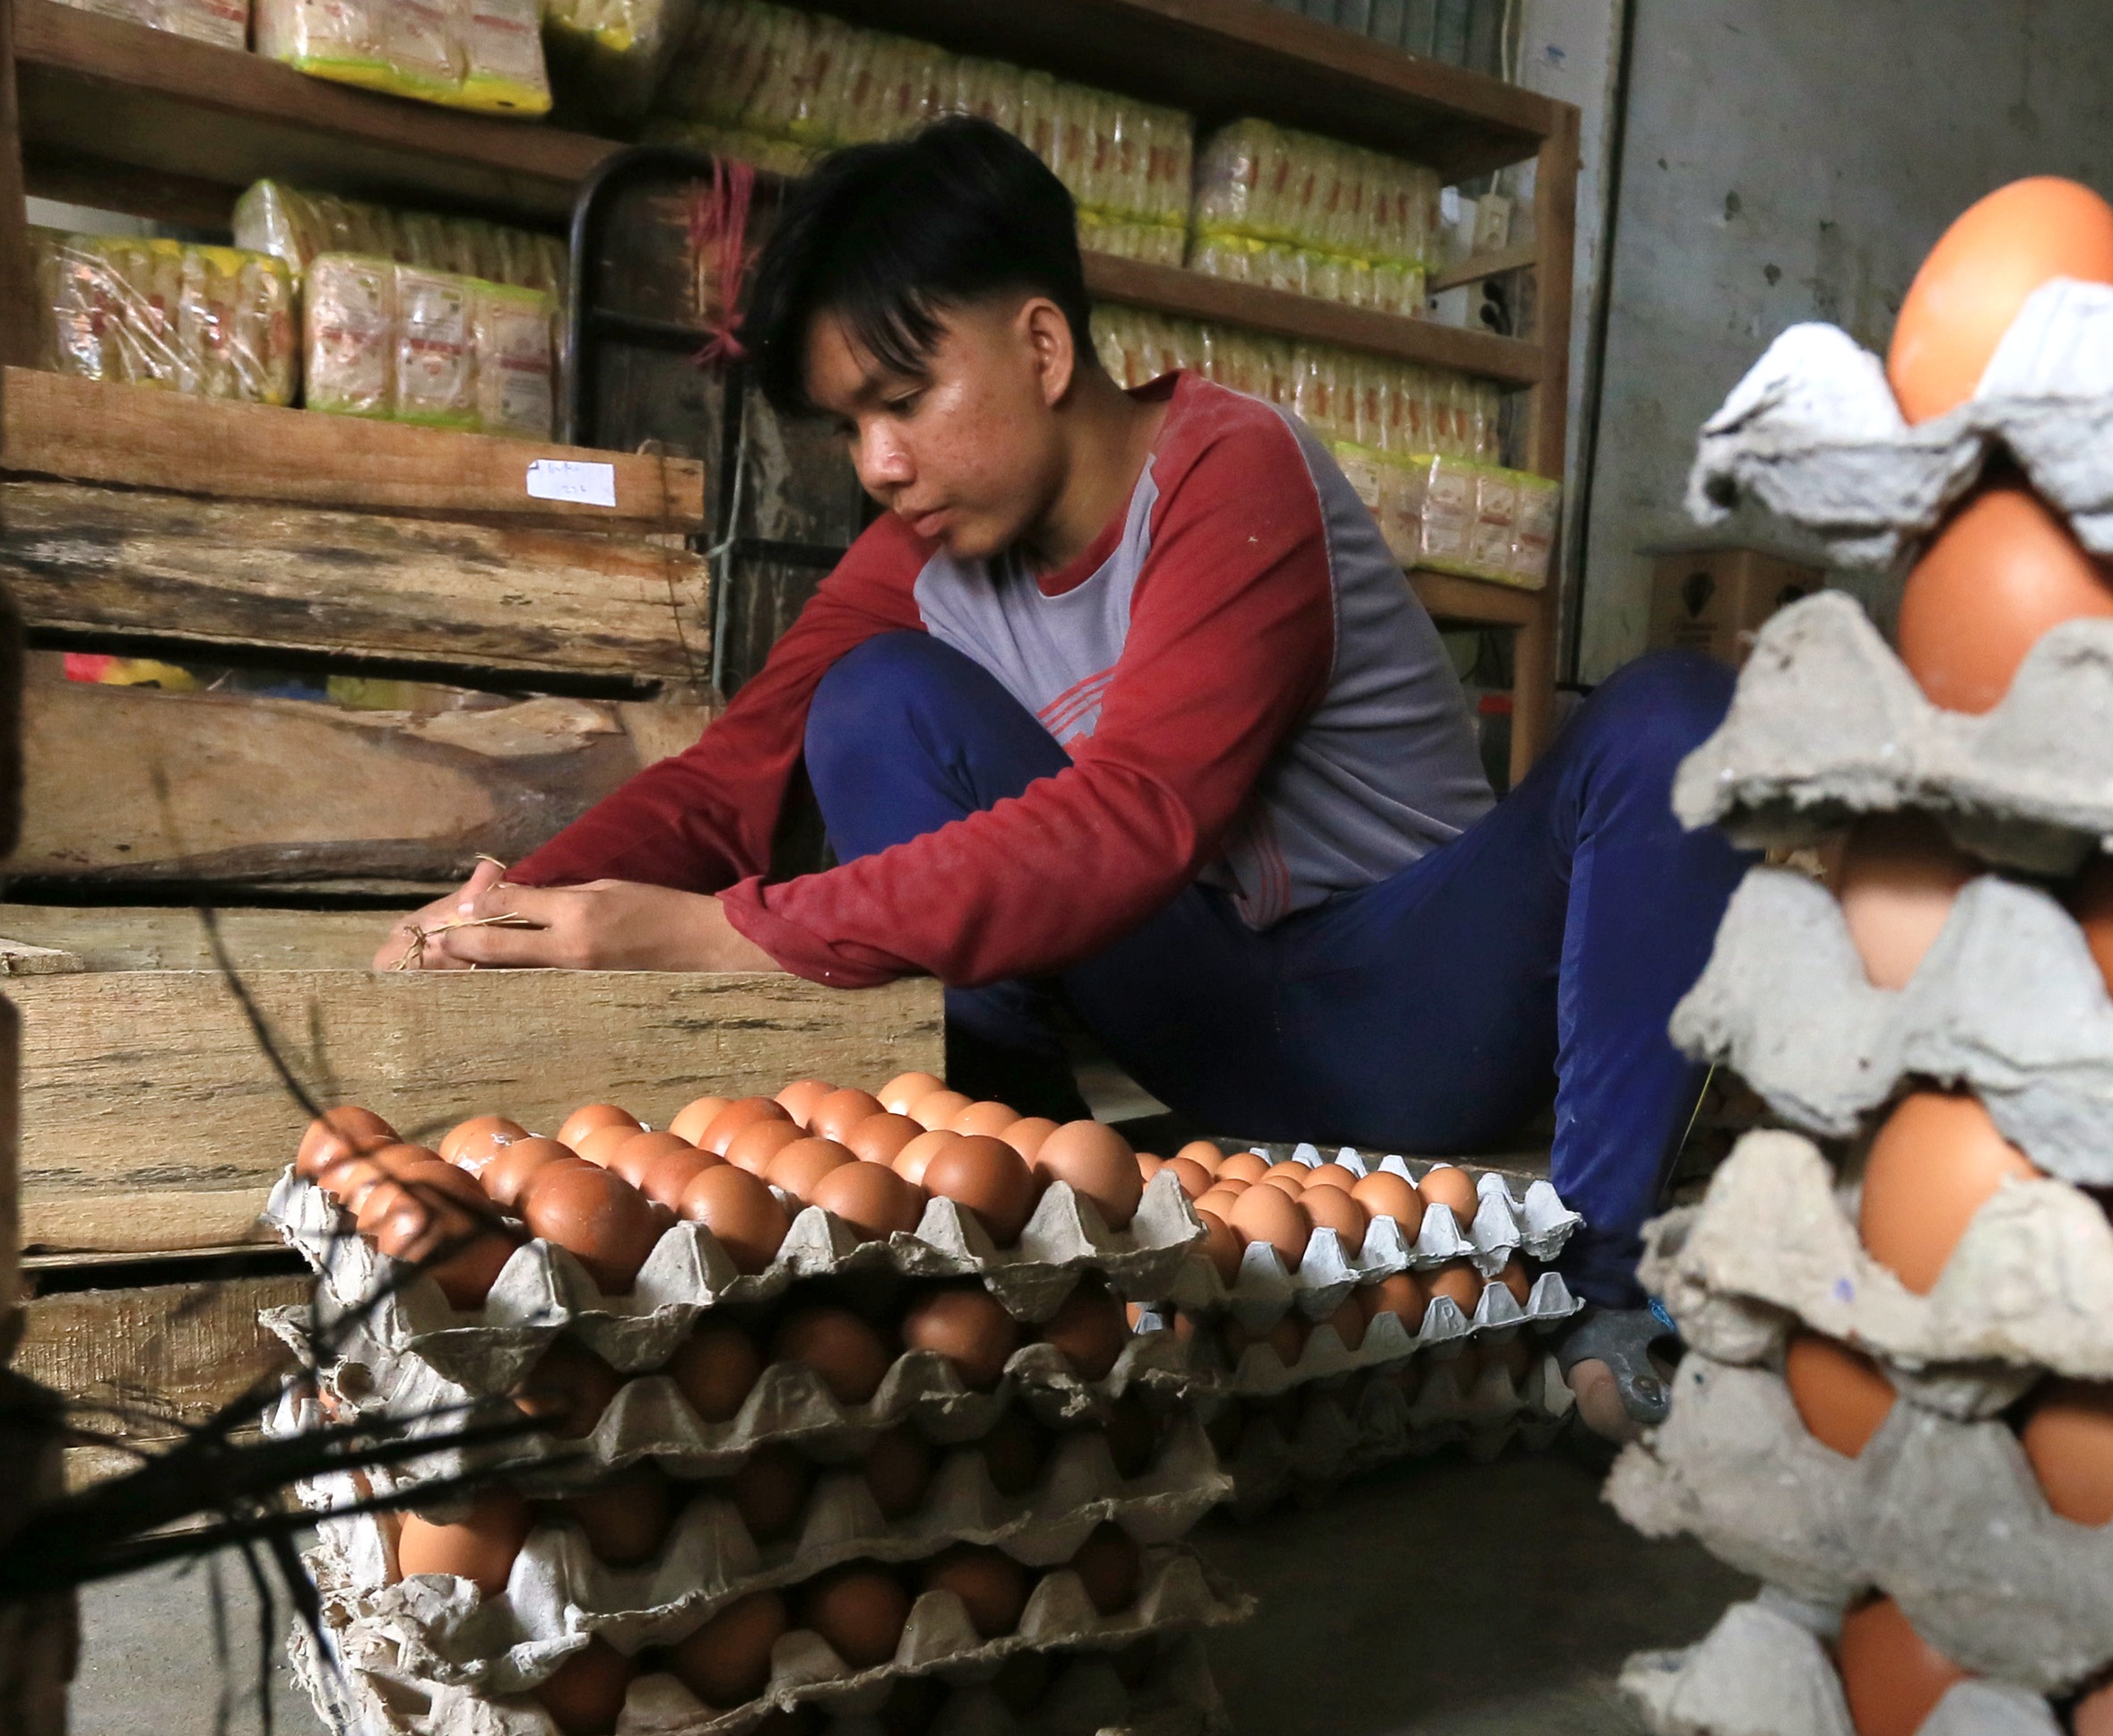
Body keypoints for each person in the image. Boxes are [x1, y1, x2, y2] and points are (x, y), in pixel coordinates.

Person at [376, 117, 1745, 1436]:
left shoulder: (1229, 469)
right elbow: (729, 776)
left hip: (1410, 1013)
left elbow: (1142, 816)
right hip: (1199, 1012)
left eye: (903, 402)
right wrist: (506, 910)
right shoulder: (917, 559)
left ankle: (1598, 1292)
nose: (878, 465)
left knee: (1677, 716)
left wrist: (721, 931)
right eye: (849, 426)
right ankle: (1027, 1229)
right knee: (874, 699)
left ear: (1039, 345)